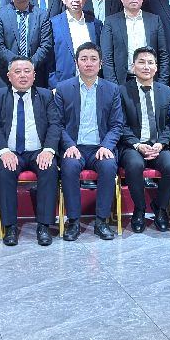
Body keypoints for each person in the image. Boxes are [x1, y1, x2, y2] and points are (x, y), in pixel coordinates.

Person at [0, 57, 61, 245]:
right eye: (17, 71)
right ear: (9, 76)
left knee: (49, 168)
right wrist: (3, 151)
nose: (22, 75)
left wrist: (49, 150)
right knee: (5, 170)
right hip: (11, 151)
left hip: (38, 151)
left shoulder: (46, 95)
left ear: (34, 75)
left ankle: (44, 226)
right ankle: (10, 227)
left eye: (27, 71)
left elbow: (55, 124)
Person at [53, 42, 122, 241]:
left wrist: (107, 146)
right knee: (69, 167)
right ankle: (74, 221)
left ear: (100, 64)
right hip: (74, 147)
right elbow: (57, 123)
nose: (89, 63)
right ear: (76, 63)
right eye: (84, 59)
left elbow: (117, 125)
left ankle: (101, 221)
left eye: (93, 59)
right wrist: (69, 145)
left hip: (100, 147)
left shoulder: (112, 89)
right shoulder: (64, 88)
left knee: (108, 166)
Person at [118, 46, 170, 233]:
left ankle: (160, 207)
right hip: (132, 145)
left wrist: (161, 144)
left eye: (150, 63)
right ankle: (139, 209)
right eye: (141, 62)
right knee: (134, 165)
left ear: (156, 67)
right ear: (133, 66)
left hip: (158, 145)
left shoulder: (166, 92)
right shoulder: (122, 91)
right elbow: (120, 124)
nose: (146, 67)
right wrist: (137, 145)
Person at [0, 0, 52, 90]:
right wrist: (17, 65)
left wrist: (29, 65)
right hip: (6, 77)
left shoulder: (42, 15)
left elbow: (46, 45)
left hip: (35, 76)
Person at [104, 0, 170, 86]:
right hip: (122, 82)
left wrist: (161, 84)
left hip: (150, 80)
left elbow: (163, 54)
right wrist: (114, 87)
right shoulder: (111, 22)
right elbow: (107, 57)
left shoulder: (154, 20)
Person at [47, 0, 106, 89]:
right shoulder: (53, 24)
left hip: (92, 83)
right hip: (63, 83)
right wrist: (54, 85)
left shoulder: (95, 24)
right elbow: (48, 58)